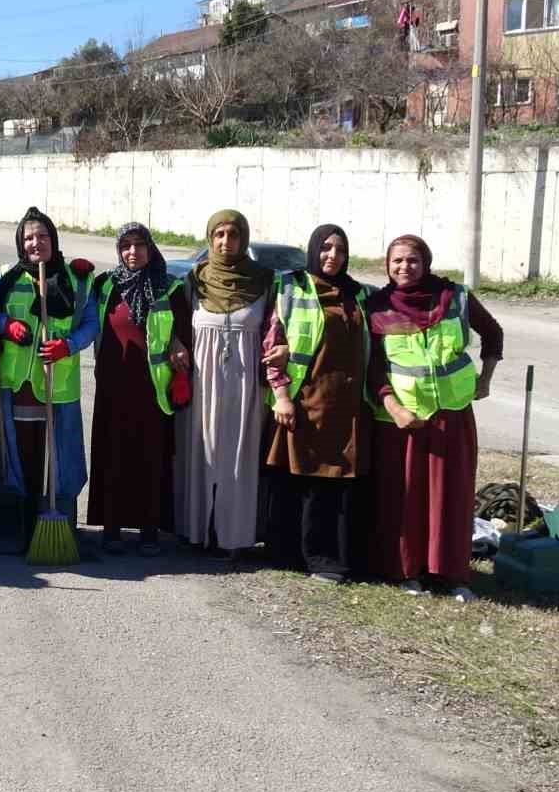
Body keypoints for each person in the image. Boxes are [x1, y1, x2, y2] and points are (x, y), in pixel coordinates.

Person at [367, 235, 502, 602]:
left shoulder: (454, 296)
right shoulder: (377, 306)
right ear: (387, 265)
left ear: (425, 262)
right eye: (396, 261)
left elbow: (493, 333)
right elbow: (374, 368)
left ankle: (452, 573)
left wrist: (485, 379)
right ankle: (406, 571)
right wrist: (394, 408)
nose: (404, 268)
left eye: (412, 260)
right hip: (402, 420)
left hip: (452, 415)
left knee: (451, 495)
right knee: (405, 498)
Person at [261, 224, 372, 582]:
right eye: (325, 248)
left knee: (337, 482)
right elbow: (271, 344)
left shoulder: (358, 294)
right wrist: (281, 396)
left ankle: (331, 557)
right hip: (305, 398)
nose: (333, 256)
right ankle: (296, 555)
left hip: (347, 403)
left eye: (340, 250)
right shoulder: (292, 287)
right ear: (313, 249)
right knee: (300, 479)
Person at [174, 209, 274, 560]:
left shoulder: (264, 281)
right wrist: (175, 347)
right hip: (202, 384)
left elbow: (276, 331)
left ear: (244, 239)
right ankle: (197, 530)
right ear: (209, 238)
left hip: (247, 388)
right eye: (219, 234)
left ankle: (235, 536)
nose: (225, 242)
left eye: (233, 235)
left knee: (240, 457)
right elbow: (175, 329)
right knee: (203, 453)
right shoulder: (194, 281)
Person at [0, 207, 97, 545]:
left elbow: (91, 325)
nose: (35, 242)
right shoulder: (8, 277)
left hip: (58, 386)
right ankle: (23, 528)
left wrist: (68, 345)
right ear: (21, 243)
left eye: (42, 236)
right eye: (28, 237)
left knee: (59, 461)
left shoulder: (77, 279)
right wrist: (5, 325)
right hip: (19, 384)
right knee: (24, 456)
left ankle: (60, 525)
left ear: (53, 238)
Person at [87, 223, 191, 557]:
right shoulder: (105, 284)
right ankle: (112, 529)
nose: (133, 252)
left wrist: (178, 343)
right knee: (113, 457)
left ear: (151, 248)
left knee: (150, 461)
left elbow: (185, 332)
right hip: (112, 389)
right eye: (126, 246)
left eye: (140, 245)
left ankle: (149, 531)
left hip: (151, 391)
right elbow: (81, 316)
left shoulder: (169, 287)